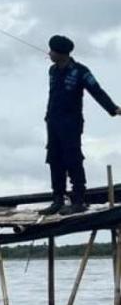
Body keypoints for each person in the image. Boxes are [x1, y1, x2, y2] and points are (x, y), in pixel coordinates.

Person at [38, 35, 121, 215]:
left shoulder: (81, 71)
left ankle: (78, 200)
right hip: (53, 121)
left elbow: (96, 91)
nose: (49, 53)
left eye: (52, 50)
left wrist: (113, 109)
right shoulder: (52, 70)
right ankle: (58, 199)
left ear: (61, 53)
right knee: (54, 159)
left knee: (73, 158)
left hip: (71, 122)